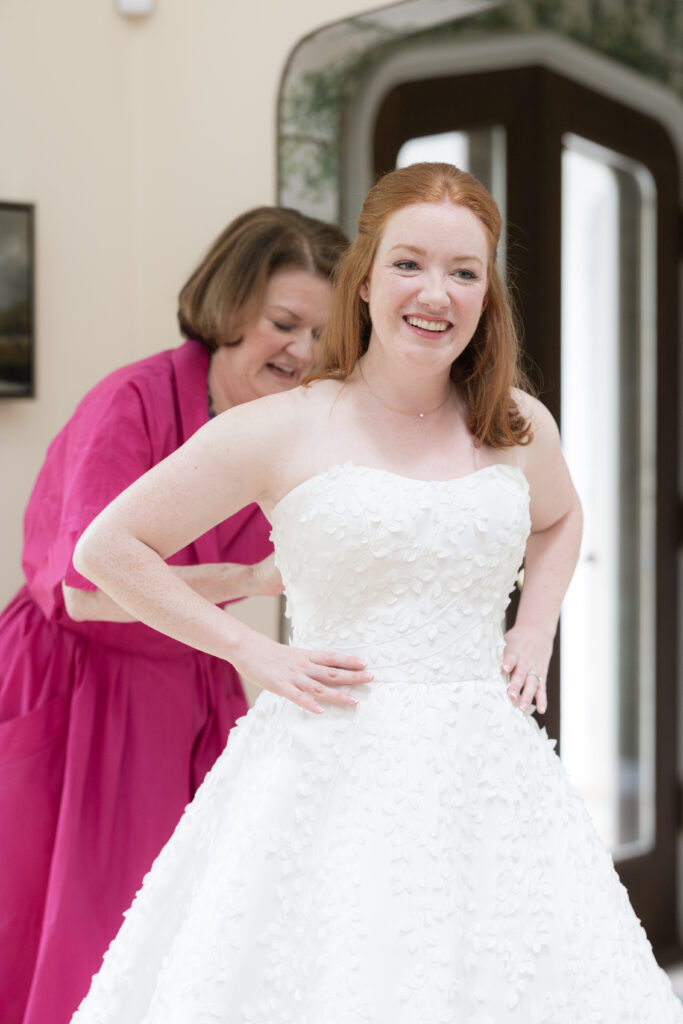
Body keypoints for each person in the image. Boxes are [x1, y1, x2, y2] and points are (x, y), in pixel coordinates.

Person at [70, 163, 682, 1021]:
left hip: (486, 778)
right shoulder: (282, 426)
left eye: (463, 272)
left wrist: (534, 625)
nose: (435, 293)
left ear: (485, 295)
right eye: (409, 263)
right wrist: (251, 649)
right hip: (321, 767)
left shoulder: (514, 424)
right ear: (363, 280)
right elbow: (107, 548)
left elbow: (559, 519)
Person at [0, 206, 354, 1024]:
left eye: (321, 334)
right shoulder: (133, 402)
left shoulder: (301, 428)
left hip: (193, 687)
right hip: (81, 683)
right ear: (230, 309)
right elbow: (88, 589)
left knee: (194, 936)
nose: (301, 352)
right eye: (283, 323)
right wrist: (251, 578)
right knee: (70, 940)